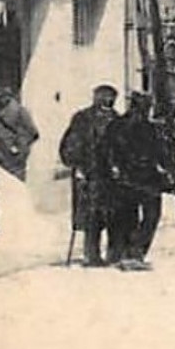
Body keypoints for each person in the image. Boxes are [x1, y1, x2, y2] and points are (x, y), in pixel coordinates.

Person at [104, 91, 174, 270]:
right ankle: (134, 252)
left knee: (130, 216)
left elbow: (106, 151)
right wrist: (169, 170)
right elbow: (161, 153)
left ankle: (126, 252)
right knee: (150, 216)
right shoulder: (146, 128)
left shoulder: (116, 125)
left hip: (129, 179)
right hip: (142, 179)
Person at [59, 85, 120, 266]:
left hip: (108, 174)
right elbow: (71, 144)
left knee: (111, 214)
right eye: (105, 99)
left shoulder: (116, 119)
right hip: (90, 172)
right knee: (92, 214)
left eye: (111, 99)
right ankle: (92, 254)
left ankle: (112, 253)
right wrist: (76, 165)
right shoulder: (83, 119)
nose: (108, 103)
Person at [0, 85, 41, 255]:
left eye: (2, 96)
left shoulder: (19, 111)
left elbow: (33, 133)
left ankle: (18, 232)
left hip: (13, 162)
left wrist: (18, 148)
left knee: (14, 196)